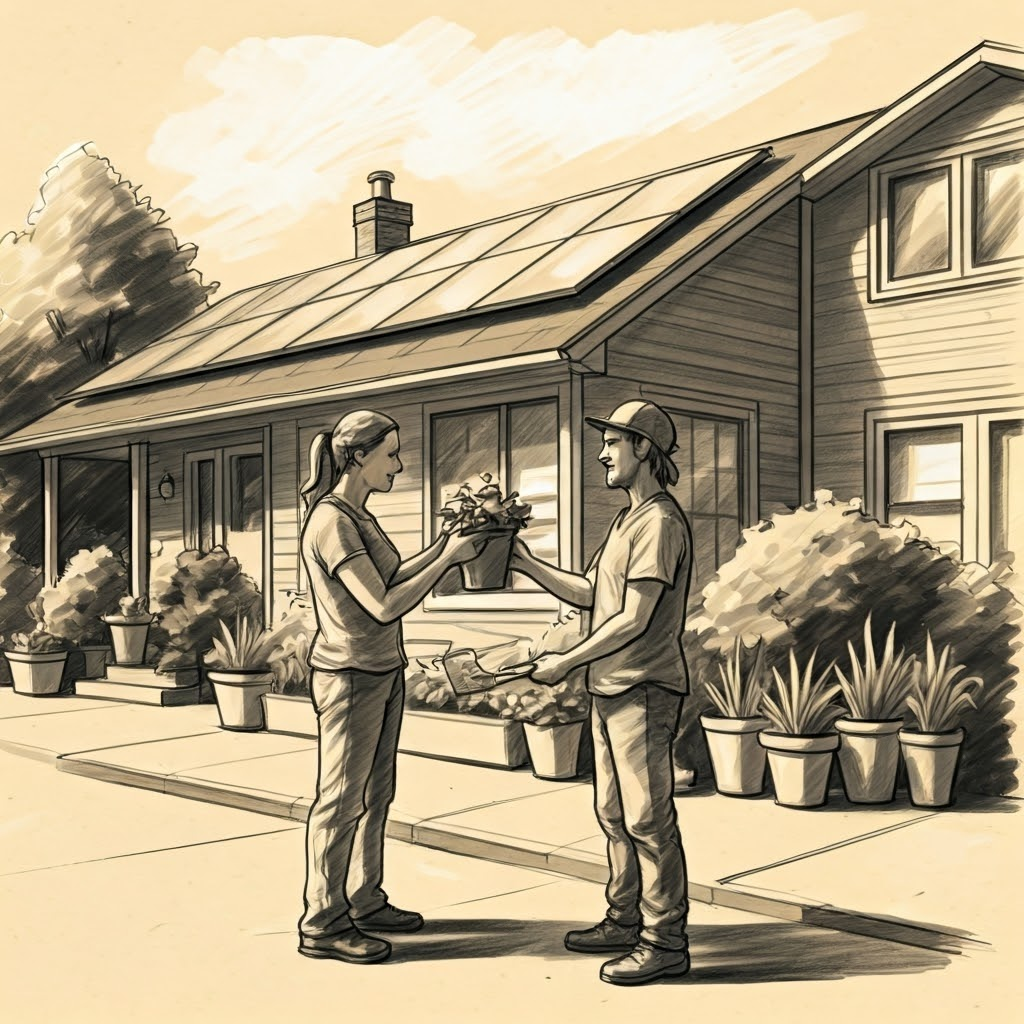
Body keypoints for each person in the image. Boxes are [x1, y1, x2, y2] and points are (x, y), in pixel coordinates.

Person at [511, 400, 693, 986]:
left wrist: (565, 661)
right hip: (611, 686)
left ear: (644, 448)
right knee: (613, 812)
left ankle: (665, 940)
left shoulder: (661, 521)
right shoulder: (626, 521)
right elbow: (595, 593)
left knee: (646, 817)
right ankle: (623, 918)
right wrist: (525, 562)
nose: (602, 452)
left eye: (613, 442)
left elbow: (633, 618)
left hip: (644, 687)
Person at [297, 409, 485, 965]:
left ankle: (364, 898)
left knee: (376, 796)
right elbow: (380, 605)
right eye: (392, 454)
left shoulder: (360, 516)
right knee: (340, 800)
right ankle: (324, 921)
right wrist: (448, 559)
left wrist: (444, 546)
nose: (400, 466)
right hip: (350, 673)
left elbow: (393, 577)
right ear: (358, 456)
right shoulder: (332, 522)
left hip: (380, 670)